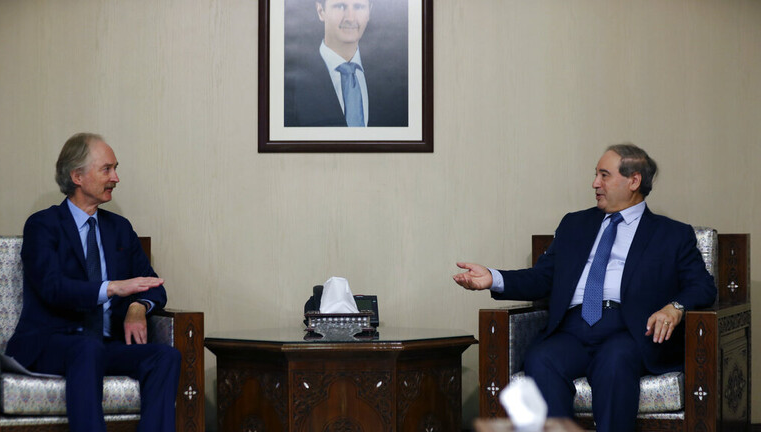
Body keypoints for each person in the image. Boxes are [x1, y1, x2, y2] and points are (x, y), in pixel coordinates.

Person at [453, 144, 716, 432]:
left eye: (604, 175)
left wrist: (674, 308)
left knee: (615, 362)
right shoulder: (574, 224)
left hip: (628, 331)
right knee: (541, 358)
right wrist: (493, 278)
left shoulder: (671, 234)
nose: (595, 183)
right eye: (596, 175)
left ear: (634, 181)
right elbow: (542, 277)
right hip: (573, 328)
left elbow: (702, 285)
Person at [5, 133, 181, 432]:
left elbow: (152, 284)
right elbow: (52, 287)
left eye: (115, 169)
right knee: (87, 349)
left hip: (103, 344)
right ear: (77, 176)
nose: (116, 178)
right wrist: (112, 287)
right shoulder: (43, 225)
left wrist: (137, 307)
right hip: (50, 343)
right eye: (107, 169)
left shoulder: (119, 229)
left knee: (165, 356)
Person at [284, 0, 408, 127]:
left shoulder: (397, 82)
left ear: (369, 12)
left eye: (358, 7)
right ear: (321, 11)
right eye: (340, 6)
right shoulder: (288, 84)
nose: (350, 18)